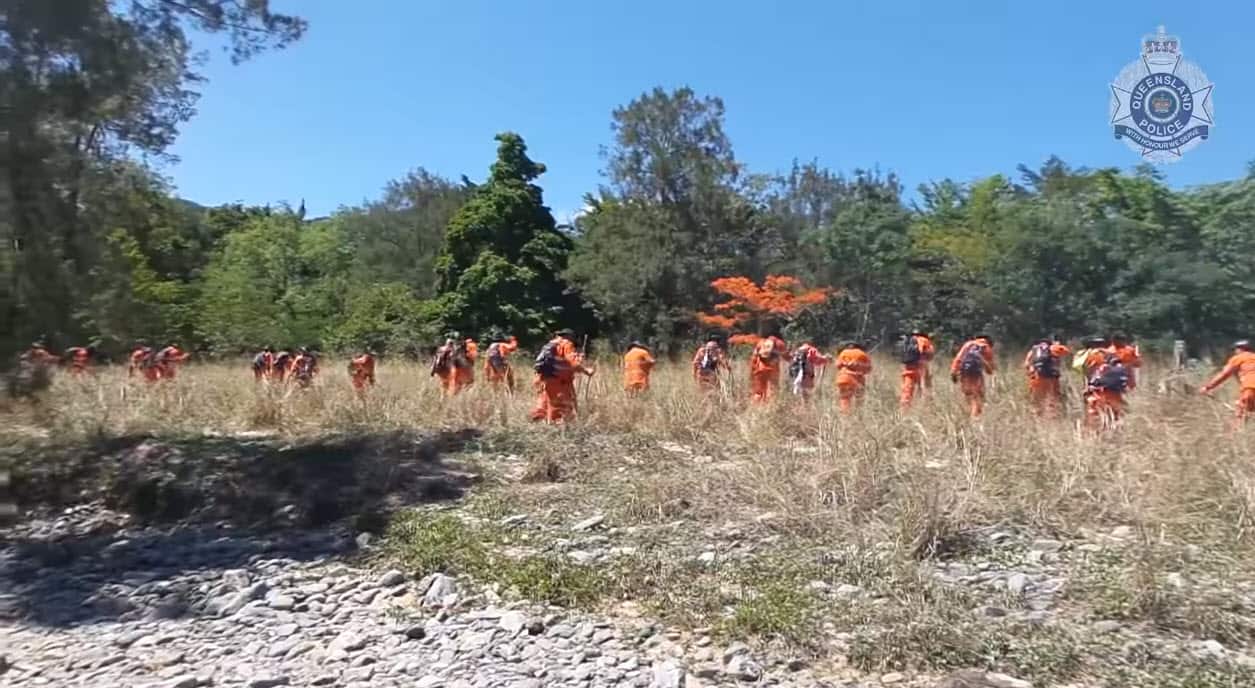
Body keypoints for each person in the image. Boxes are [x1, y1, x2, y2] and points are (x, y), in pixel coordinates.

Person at [531, 328, 593, 423]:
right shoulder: (567, 344)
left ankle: (538, 426)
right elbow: (573, 363)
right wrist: (586, 370)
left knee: (543, 407)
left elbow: (561, 361)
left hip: (543, 379)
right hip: (558, 382)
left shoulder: (551, 344)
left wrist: (578, 357)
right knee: (561, 408)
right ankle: (559, 430)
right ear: (569, 337)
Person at [1199, 340, 1255, 428]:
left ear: (1239, 349)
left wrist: (1207, 387)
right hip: (1250, 389)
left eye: (1235, 350)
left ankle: (1237, 438)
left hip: (1250, 388)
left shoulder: (1238, 358)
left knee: (1241, 417)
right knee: (1247, 412)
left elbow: (1224, 375)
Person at [950, 334, 996, 418]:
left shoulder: (967, 345)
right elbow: (990, 370)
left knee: (969, 395)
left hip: (964, 372)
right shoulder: (986, 347)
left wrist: (953, 372)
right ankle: (974, 418)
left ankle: (971, 413)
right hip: (976, 374)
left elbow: (958, 358)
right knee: (978, 397)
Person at [1024, 337, 1070, 418]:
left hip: (1037, 377)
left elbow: (1026, 364)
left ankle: (1037, 416)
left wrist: (1031, 372)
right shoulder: (1053, 348)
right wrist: (1058, 345)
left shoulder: (1033, 350)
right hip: (1052, 378)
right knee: (1052, 397)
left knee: (1036, 398)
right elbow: (1067, 351)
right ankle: (1051, 417)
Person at [1083, 350, 1129, 430]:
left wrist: (1089, 389)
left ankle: (1097, 432)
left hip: (1101, 394)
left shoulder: (1103, 368)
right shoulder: (1123, 369)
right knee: (1117, 415)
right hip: (1116, 395)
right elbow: (1126, 385)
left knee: (1096, 416)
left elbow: (1094, 382)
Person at [833, 341, 872, 413]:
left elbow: (838, 365)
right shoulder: (863, 354)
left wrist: (846, 364)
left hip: (844, 378)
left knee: (845, 399)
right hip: (858, 380)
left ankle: (845, 417)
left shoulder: (843, 353)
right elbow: (869, 369)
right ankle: (858, 415)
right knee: (859, 400)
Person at [900, 331, 936, 408]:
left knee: (908, 389)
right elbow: (930, 353)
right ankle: (925, 406)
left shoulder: (908, 340)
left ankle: (904, 408)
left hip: (908, 366)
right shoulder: (924, 340)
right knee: (924, 386)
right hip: (921, 365)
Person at [749, 332, 787, 403]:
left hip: (759, 369)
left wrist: (752, 372)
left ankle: (755, 408)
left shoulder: (761, 343)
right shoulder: (780, 344)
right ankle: (770, 407)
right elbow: (787, 357)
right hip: (773, 370)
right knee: (772, 390)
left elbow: (753, 358)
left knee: (758, 391)